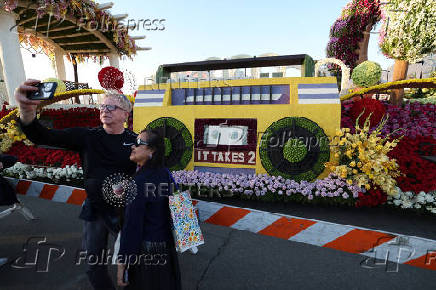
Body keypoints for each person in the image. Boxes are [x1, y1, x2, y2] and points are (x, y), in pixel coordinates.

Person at [15, 79, 137, 290]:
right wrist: (27, 112)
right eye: (103, 106)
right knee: (93, 263)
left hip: (124, 211)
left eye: (112, 107)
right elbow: (42, 136)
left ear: (125, 114)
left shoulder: (136, 142)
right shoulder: (87, 136)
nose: (105, 110)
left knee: (129, 261)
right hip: (95, 210)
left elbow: (152, 171)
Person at [117, 129, 182, 290]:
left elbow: (132, 226)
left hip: (146, 254)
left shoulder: (138, 182)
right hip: (167, 249)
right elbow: (179, 209)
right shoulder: (165, 173)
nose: (133, 146)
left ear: (152, 150)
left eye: (139, 143)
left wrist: (122, 263)